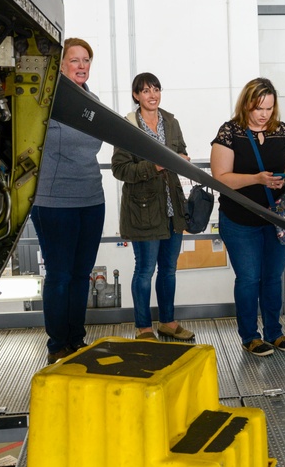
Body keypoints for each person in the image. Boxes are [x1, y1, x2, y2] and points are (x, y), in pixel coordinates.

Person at [210, 78, 285, 357]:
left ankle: (274, 332)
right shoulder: (230, 132)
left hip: (275, 219)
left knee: (273, 278)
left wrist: (283, 178)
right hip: (240, 220)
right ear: (247, 104)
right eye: (259, 108)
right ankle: (250, 336)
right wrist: (256, 179)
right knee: (249, 278)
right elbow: (220, 178)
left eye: (269, 108)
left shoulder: (281, 130)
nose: (264, 114)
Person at [30, 38, 106, 364]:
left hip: (91, 198)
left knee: (81, 275)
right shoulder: (46, 99)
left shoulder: (92, 100)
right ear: (60, 65)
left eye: (85, 60)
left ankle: (76, 340)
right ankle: (57, 345)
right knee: (60, 275)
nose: (81, 66)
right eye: (74, 60)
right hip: (54, 202)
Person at [111, 72, 194, 342]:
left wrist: (182, 158)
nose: (152, 95)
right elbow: (120, 169)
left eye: (156, 89)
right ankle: (144, 328)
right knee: (145, 270)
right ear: (136, 95)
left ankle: (168, 322)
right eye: (145, 90)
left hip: (172, 208)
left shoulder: (171, 122)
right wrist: (155, 165)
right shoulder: (127, 125)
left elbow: (180, 150)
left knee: (169, 269)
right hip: (143, 210)